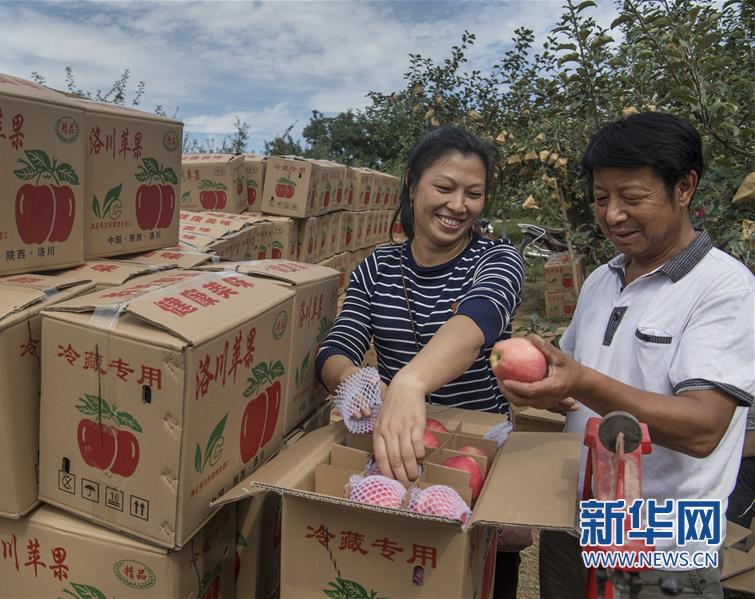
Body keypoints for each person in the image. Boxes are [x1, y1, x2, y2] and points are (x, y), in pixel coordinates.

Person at [497, 112, 754, 598]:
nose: (612, 214)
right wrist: (544, 389)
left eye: (632, 197)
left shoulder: (725, 289)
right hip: (579, 514)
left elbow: (703, 429)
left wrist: (579, 382)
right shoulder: (602, 279)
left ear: (684, 188)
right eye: (601, 198)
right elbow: (574, 386)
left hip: (665, 533)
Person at [316, 125, 527, 599]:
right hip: (396, 455)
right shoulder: (377, 268)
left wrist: (409, 384)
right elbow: (335, 348)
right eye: (445, 187)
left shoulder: (498, 260)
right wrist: (357, 380)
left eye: (474, 194)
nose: (459, 206)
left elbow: (479, 321)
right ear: (412, 184)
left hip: (475, 454)